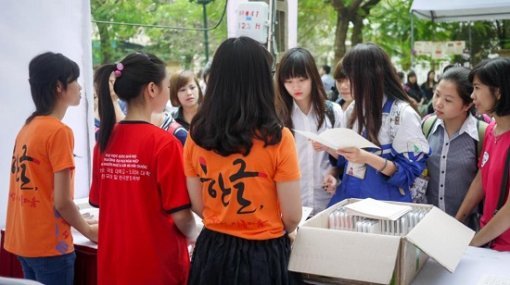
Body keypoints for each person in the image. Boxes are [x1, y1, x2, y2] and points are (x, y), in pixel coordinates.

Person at [184, 36, 302, 285]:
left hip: (213, 251)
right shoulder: (278, 138)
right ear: (261, 81)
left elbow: (198, 204)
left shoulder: (196, 135)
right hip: (264, 254)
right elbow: (292, 216)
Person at [90, 52, 197, 284]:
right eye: (167, 86)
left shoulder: (104, 142)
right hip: (156, 267)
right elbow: (181, 215)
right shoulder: (164, 144)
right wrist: (198, 235)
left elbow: (104, 203)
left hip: (114, 265)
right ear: (151, 89)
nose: (169, 93)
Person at [4, 52, 98, 285]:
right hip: (49, 245)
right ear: (59, 86)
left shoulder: (29, 127)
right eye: (74, 79)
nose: (79, 86)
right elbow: (62, 202)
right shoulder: (59, 131)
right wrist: (88, 231)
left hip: (23, 240)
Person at [320, 43, 429, 205]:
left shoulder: (402, 114)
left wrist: (367, 157)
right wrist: (333, 170)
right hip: (350, 202)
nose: (345, 84)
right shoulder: (353, 108)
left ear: (368, 76)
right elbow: (346, 162)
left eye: (350, 77)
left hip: (385, 210)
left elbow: (409, 172)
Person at [275, 47, 344, 214]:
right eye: (289, 81)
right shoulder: (276, 116)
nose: (296, 87)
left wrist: (334, 174)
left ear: (313, 77)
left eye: (301, 80)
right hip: (289, 204)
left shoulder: (333, 112)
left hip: (327, 201)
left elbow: (345, 156)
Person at [456, 58, 510, 251]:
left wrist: (473, 242)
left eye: (477, 88)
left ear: (498, 91)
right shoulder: (491, 130)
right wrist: (458, 220)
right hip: (490, 241)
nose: (472, 96)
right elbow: (481, 179)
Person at [423, 67, 487, 228]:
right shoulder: (427, 126)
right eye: (437, 95)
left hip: (468, 227)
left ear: (467, 105)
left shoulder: (483, 134)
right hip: (429, 224)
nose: (438, 103)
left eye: (448, 100)